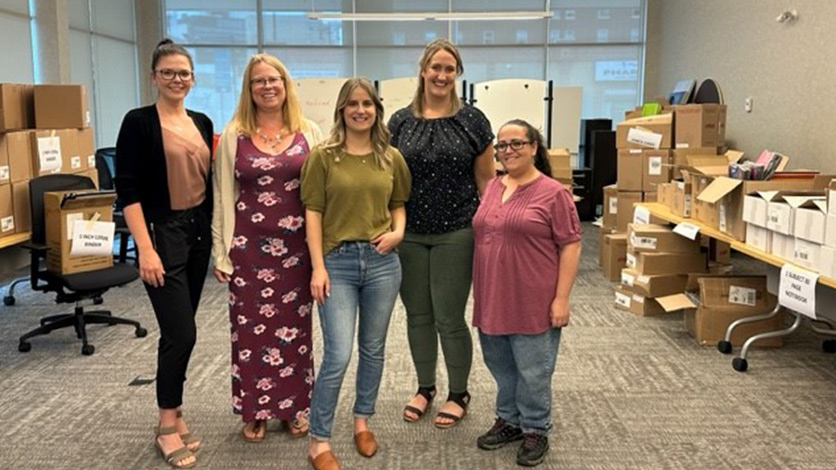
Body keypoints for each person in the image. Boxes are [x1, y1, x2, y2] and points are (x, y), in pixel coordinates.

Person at [212, 53, 324, 443]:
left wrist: (322, 254)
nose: (267, 86)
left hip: (298, 251)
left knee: (295, 332)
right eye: (258, 81)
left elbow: (321, 194)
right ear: (249, 89)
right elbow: (222, 196)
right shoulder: (233, 135)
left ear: (285, 84)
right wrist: (220, 251)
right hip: (247, 249)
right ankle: (254, 408)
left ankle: (293, 406)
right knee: (250, 335)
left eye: (273, 79)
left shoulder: (309, 132)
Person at [301, 77, 411, 470]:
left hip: (382, 263)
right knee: (338, 353)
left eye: (368, 104)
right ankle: (319, 440)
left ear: (377, 110)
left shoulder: (391, 157)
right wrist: (317, 267)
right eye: (353, 104)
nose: (361, 110)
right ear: (342, 110)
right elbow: (312, 214)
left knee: (373, 349)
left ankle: (362, 420)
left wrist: (397, 233)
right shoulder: (323, 156)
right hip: (337, 262)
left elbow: (398, 204)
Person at [115, 39, 213, 469]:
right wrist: (145, 250)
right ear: (154, 77)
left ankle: (174, 409)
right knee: (182, 333)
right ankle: (165, 425)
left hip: (196, 235)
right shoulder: (138, 122)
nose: (177, 80)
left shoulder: (202, 121)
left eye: (184, 73)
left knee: (181, 330)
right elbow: (129, 192)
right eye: (169, 72)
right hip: (161, 235)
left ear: (193, 79)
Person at [387, 38, 495, 428]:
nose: (442, 75)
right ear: (423, 70)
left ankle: (458, 392)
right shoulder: (399, 121)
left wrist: (493, 231)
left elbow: (487, 183)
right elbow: (386, 178)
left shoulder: (473, 121)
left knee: (449, 317)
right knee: (417, 315)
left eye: (450, 69)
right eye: (436, 67)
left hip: (457, 231)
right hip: (409, 233)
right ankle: (425, 387)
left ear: (457, 74)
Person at [471, 119, 582, 467]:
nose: (508, 150)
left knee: (533, 370)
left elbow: (571, 245)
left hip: (534, 299)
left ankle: (535, 427)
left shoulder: (554, 193)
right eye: (502, 145)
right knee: (501, 366)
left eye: (517, 143)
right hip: (492, 294)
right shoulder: (492, 186)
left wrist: (561, 298)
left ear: (534, 147)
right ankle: (509, 419)